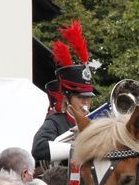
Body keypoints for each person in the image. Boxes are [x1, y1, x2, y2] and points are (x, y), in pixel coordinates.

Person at [32, 31, 96, 164]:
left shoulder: (95, 121)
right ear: (67, 98)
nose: (86, 102)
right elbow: (38, 148)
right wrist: (77, 149)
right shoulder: (56, 121)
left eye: (88, 97)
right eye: (80, 97)